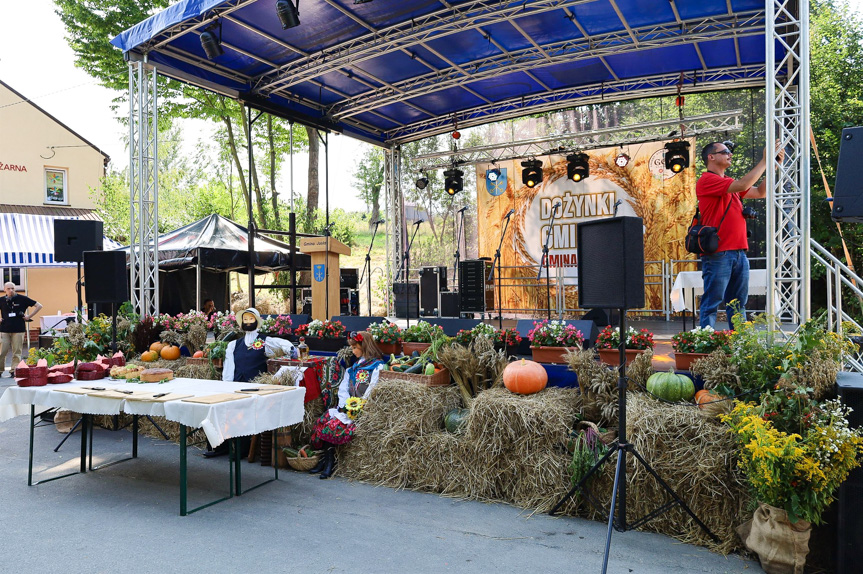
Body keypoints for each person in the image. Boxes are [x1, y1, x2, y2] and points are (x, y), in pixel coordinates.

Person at [696, 141, 783, 329]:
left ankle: (739, 344)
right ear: (711, 157)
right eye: (725, 152)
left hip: (739, 252)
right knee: (712, 303)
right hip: (719, 252)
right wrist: (765, 161)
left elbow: (760, 192)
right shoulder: (707, 180)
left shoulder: (728, 183)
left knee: (738, 305)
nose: (730, 154)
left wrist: (773, 165)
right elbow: (744, 183)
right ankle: (705, 346)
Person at [204, 307, 297, 457]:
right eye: (245, 320)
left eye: (251, 319)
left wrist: (292, 350)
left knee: (243, 412)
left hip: (255, 387)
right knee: (219, 408)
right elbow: (229, 369)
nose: (247, 322)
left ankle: (242, 449)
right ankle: (220, 446)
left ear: (257, 322)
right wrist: (226, 387)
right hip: (236, 385)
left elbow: (283, 344)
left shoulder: (265, 341)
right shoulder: (233, 345)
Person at [309, 331, 384, 479]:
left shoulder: (377, 367)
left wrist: (358, 406)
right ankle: (326, 459)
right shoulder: (354, 367)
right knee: (324, 419)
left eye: (355, 347)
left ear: (364, 346)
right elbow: (344, 387)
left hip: (362, 409)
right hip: (348, 407)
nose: (353, 351)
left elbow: (372, 390)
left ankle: (330, 464)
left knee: (334, 425)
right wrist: (345, 404)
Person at [0, 282, 42, 378]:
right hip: (4, 329)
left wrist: (29, 316)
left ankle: (14, 370)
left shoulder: (23, 299)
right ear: (4, 290)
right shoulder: (2, 300)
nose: (11, 290)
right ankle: (0, 370)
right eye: (8, 289)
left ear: (15, 289)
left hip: (18, 328)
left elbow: (39, 305)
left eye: (12, 288)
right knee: (2, 351)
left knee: (17, 351)